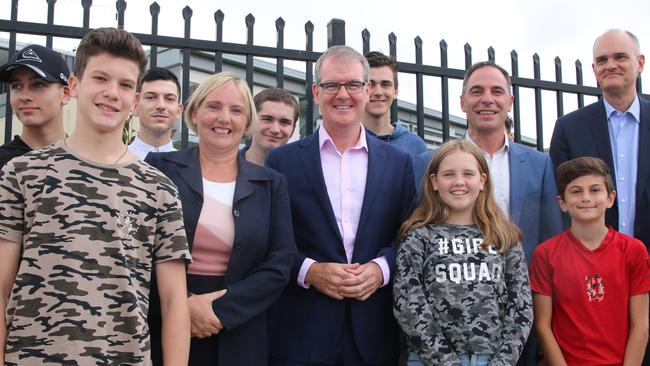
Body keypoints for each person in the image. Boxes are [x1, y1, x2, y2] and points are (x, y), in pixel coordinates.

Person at [0, 28, 192, 365]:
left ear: (134, 100)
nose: (111, 93)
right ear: (74, 86)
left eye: (124, 85)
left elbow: (175, 301)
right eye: (100, 78)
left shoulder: (159, 190)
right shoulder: (22, 173)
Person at [266, 45, 416, 366]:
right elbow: (269, 240)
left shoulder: (398, 163)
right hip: (301, 333)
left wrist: (380, 269)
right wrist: (309, 271)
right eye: (332, 85)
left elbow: (409, 236)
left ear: (366, 90)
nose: (342, 94)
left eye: (353, 85)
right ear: (316, 92)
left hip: (375, 333)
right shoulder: (281, 161)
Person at [145, 71, 296, 366]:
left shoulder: (271, 183)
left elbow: (281, 261)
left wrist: (220, 310)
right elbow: (137, 248)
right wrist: (183, 307)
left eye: (236, 110)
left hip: (240, 334)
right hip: (164, 328)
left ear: (247, 122)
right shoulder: (158, 169)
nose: (224, 118)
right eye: (214, 106)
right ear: (194, 112)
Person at [394, 139, 532, 366]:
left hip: (493, 359)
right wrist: (445, 361)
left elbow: (521, 306)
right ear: (434, 181)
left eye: (468, 174)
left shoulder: (503, 236)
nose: (459, 182)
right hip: (429, 360)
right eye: (449, 174)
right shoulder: (418, 236)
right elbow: (408, 303)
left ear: (482, 181)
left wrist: (503, 361)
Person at [530, 156, 650, 365]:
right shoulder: (545, 254)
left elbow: (640, 324)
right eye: (576, 191)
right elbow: (542, 325)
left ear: (611, 198)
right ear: (562, 202)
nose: (586, 198)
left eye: (595, 190)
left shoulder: (634, 250)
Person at [550, 29, 649, 250]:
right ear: (594, 70)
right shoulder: (569, 128)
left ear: (640, 63)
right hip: (591, 267)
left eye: (620, 57)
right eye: (602, 60)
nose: (610, 65)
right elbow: (560, 200)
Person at [0, 44, 71, 167]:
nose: (24, 96)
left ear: (65, 94)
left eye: (38, 85)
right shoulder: (3, 162)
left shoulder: (88, 161)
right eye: (16, 86)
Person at [364, 51, 427, 162]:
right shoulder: (347, 140)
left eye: (385, 84)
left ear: (396, 91)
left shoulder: (415, 146)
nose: (378, 92)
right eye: (371, 84)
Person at [128, 67, 183, 159]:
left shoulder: (191, 169)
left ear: (179, 110)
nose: (161, 106)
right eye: (151, 97)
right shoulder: (113, 163)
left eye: (170, 99)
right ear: (135, 105)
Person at [241, 87, 299, 165]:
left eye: (284, 122)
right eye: (267, 119)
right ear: (252, 121)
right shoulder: (225, 167)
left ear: (293, 129)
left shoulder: (302, 173)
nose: (275, 130)